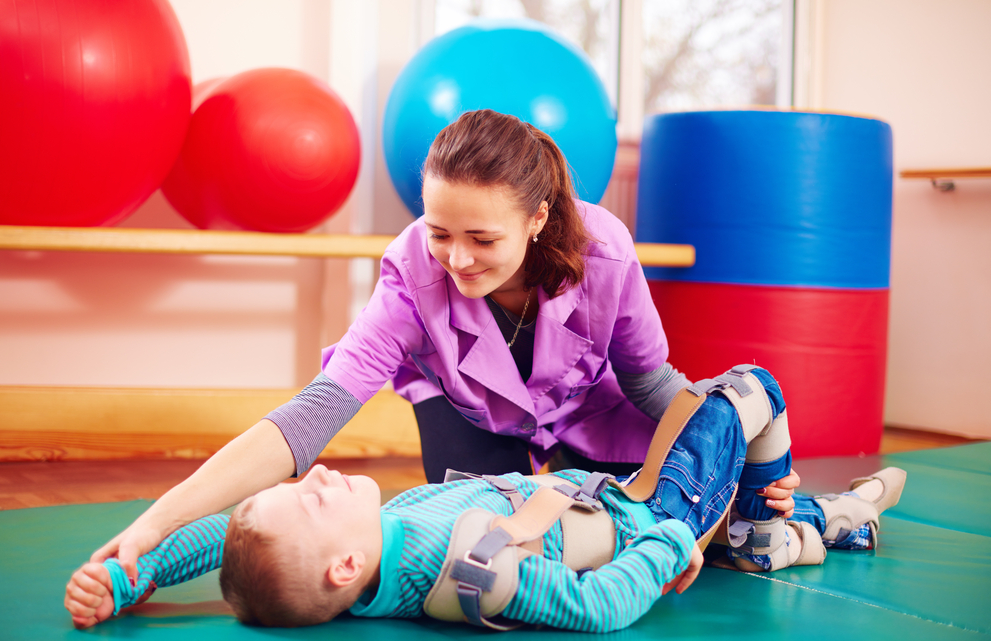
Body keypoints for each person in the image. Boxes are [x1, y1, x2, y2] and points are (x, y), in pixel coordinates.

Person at [86, 108, 800, 588]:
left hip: (595, 414)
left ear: (538, 217)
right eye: (439, 232)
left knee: (655, 521)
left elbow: (653, 385)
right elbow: (313, 415)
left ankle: (814, 513)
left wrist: (738, 464)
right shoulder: (410, 272)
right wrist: (156, 523)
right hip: (468, 413)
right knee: (479, 541)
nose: (456, 259)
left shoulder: (604, 251)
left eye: (482, 238)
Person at [65, 366, 906, 632]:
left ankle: (802, 526)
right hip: (654, 512)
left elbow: (234, 537)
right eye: (311, 500)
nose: (314, 476)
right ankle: (760, 528)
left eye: (300, 481)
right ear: (344, 565)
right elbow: (599, 608)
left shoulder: (368, 549)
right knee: (751, 387)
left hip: (602, 489)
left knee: (714, 428)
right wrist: (668, 545)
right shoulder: (465, 562)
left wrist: (134, 570)